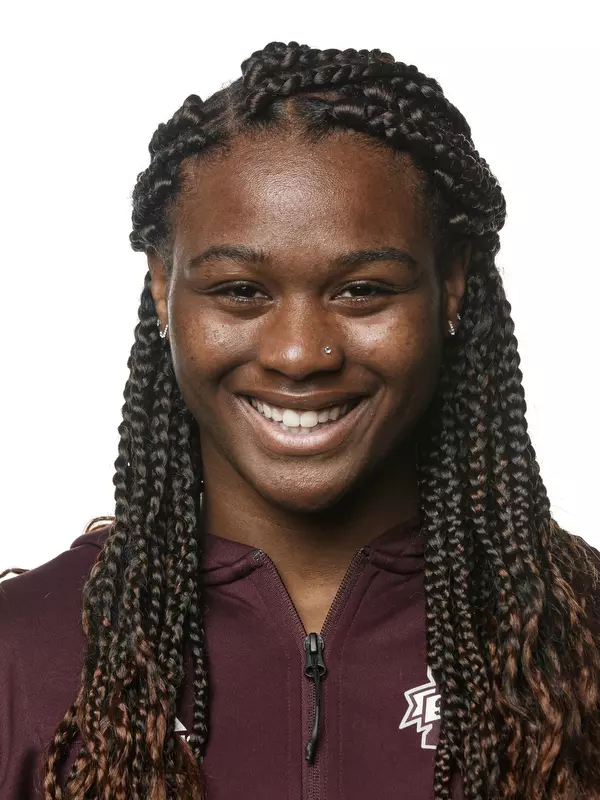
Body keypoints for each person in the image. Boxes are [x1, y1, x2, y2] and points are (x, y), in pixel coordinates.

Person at [1, 40, 599, 800]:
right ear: (162, 288)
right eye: (241, 291)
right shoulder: (21, 655)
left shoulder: (581, 652)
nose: (299, 353)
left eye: (362, 291)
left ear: (451, 287)